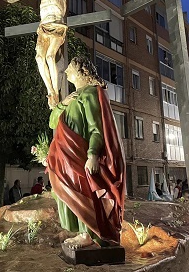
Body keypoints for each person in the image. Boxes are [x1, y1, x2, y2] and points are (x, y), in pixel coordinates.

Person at [46, 56, 125, 248]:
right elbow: (52, 121)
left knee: (83, 194)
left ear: (82, 72)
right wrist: (63, 103)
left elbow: (96, 128)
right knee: (65, 192)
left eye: (71, 68)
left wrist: (93, 155)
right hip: (65, 156)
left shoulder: (90, 94)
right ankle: (81, 232)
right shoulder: (73, 97)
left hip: (80, 154)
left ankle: (88, 235)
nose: (66, 72)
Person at [13, 0, 105, 109]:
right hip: (43, 28)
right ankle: (50, 91)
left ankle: (55, 91)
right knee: (39, 58)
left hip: (56, 26)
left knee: (50, 57)